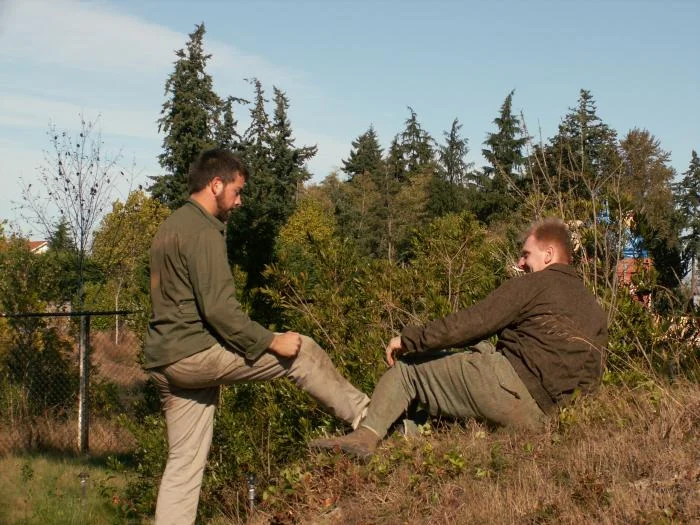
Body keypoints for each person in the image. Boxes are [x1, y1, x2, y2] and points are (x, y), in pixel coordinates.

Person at [143, 148, 370, 524]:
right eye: (237, 190)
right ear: (216, 185)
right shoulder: (202, 230)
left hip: (164, 361)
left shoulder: (170, 226)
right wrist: (270, 341)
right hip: (193, 354)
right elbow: (219, 310)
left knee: (183, 467)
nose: (239, 200)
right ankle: (371, 418)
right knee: (302, 351)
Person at [310, 218, 607, 459]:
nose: (520, 262)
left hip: (511, 387)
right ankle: (405, 434)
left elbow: (474, 322)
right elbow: (592, 375)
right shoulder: (593, 307)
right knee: (474, 357)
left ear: (549, 255)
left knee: (409, 370)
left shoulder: (536, 284)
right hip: (542, 417)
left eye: (526, 254)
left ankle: (365, 436)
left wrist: (411, 339)